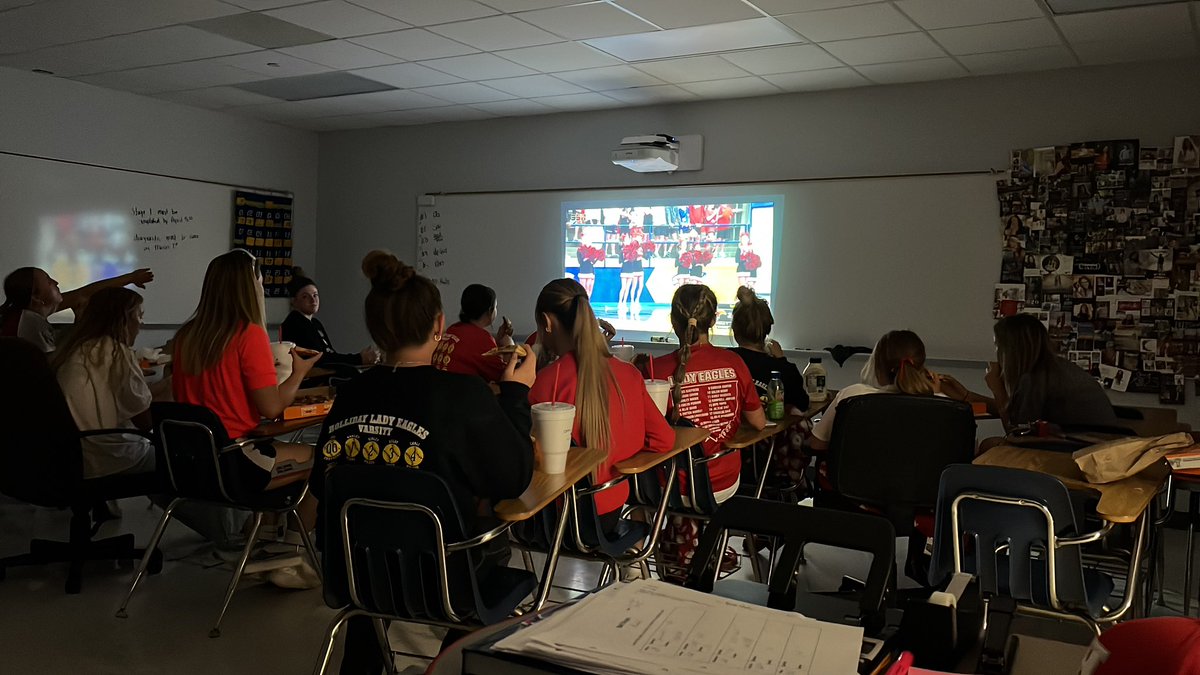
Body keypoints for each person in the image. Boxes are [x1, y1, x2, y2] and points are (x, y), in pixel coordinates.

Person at [315, 251, 535, 675]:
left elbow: (319, 483)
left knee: (374, 553)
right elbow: (514, 477)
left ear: (375, 329)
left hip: (353, 574)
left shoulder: (350, 395)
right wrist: (516, 395)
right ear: (439, 324)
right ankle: (443, 665)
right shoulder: (463, 395)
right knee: (492, 542)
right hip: (446, 581)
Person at [527, 278, 674, 530]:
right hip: (611, 510)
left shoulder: (546, 382)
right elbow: (664, 440)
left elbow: (525, 462)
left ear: (546, 322)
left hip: (559, 519)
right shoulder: (629, 374)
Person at [172, 250, 319, 495]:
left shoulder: (186, 336)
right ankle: (288, 523)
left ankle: (268, 520)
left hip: (192, 460)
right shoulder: (249, 334)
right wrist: (299, 373)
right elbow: (272, 408)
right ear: (251, 287)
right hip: (234, 457)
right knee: (323, 458)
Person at [649, 284, 765, 577]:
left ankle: (665, 551)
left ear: (672, 321)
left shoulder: (654, 370)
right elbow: (759, 423)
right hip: (722, 483)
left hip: (670, 488)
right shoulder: (734, 362)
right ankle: (705, 546)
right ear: (713, 320)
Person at [939, 314, 1120, 432]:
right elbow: (1013, 411)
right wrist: (966, 396)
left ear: (1011, 349)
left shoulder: (1035, 378)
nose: (996, 352)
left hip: (1082, 452)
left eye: (998, 346)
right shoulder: (1052, 369)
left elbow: (1016, 433)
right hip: (1094, 446)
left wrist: (997, 388)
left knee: (989, 446)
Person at [52, 287, 157, 479]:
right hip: (111, 457)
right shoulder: (117, 354)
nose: (141, 323)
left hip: (74, 456)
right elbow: (144, 421)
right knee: (183, 459)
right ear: (124, 319)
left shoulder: (72, 350)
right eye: (139, 315)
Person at [727, 286, 809, 490]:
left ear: (734, 330)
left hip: (727, 451)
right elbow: (802, 403)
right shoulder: (781, 368)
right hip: (768, 461)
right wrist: (782, 361)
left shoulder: (724, 361)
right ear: (767, 330)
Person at [809, 330, 943, 451]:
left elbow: (816, 444)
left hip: (857, 471)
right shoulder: (942, 405)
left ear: (877, 365)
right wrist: (937, 395)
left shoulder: (852, 395)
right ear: (921, 366)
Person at [1, 266, 154, 352]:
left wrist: (130, 278)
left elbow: (84, 293)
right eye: (48, 281)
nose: (56, 282)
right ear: (36, 297)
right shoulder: (30, 323)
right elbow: (55, 364)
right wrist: (81, 325)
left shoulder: (28, 314)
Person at [280, 268, 378, 369]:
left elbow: (329, 354)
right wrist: (358, 358)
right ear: (294, 301)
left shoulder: (315, 323)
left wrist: (359, 358)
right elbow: (320, 359)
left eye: (315, 295)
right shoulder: (295, 323)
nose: (313, 300)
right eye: (305, 297)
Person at [432, 283, 513, 382]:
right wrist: (509, 346)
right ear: (490, 311)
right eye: (496, 307)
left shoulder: (453, 329)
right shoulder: (481, 339)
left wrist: (498, 340)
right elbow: (506, 378)